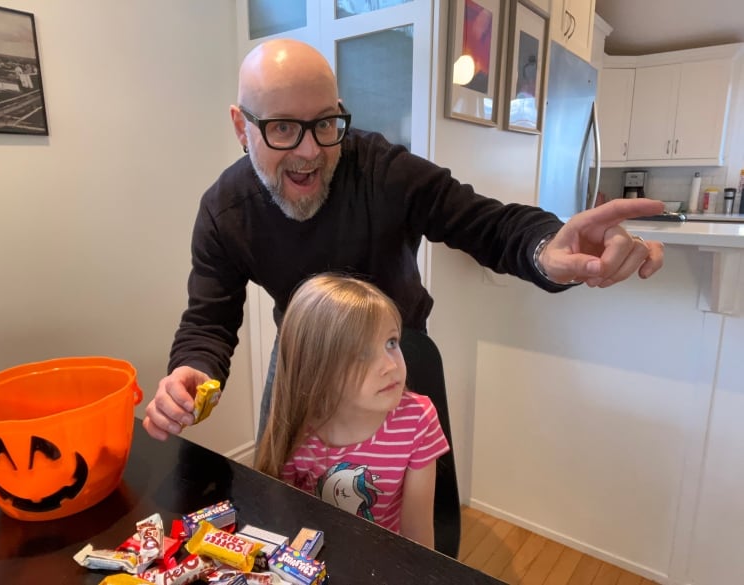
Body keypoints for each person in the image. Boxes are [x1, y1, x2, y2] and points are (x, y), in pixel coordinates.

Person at [142, 38, 665, 444]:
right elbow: (208, 321)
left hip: (399, 352)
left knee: (421, 533)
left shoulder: (383, 170)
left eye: (326, 123)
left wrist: (546, 249)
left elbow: (484, 221)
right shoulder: (224, 211)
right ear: (241, 126)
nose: (309, 151)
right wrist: (192, 371)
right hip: (302, 357)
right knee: (286, 508)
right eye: (281, 128)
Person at [255, 273, 449, 547]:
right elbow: (285, 523)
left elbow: (418, 539)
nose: (391, 365)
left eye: (391, 342)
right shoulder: (299, 425)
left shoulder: (417, 420)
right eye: (361, 354)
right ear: (317, 369)